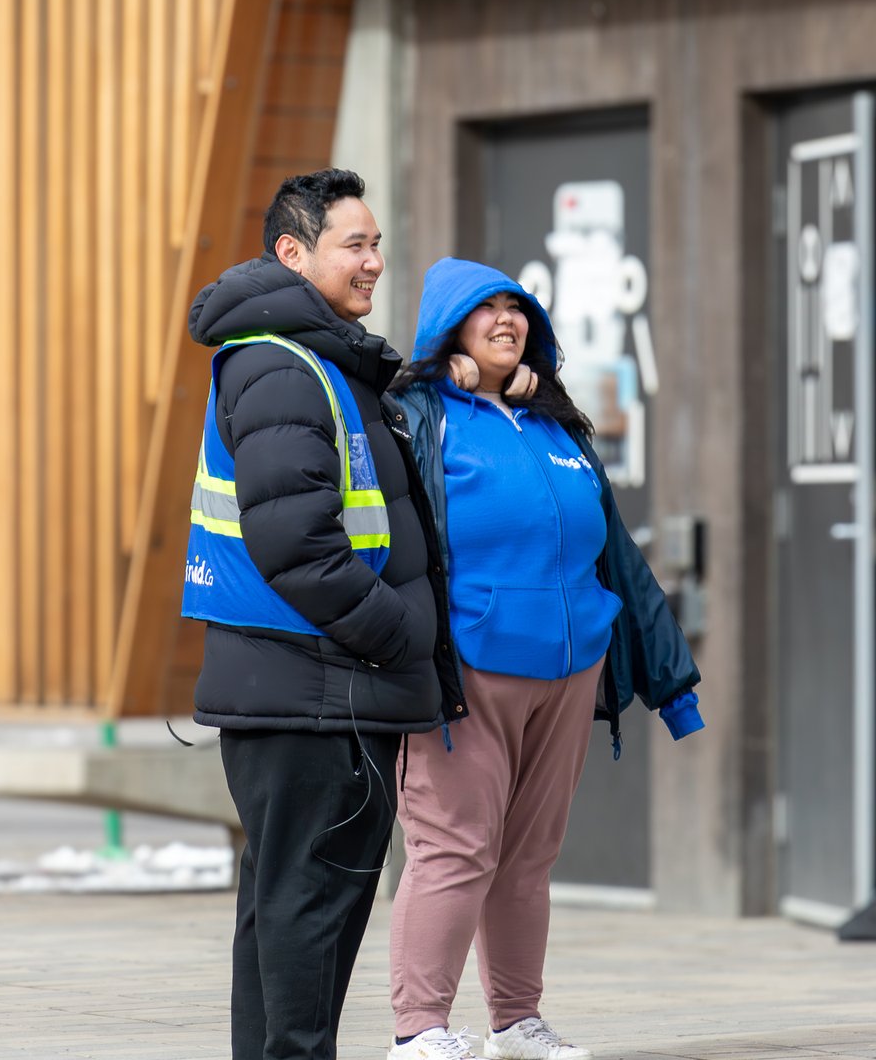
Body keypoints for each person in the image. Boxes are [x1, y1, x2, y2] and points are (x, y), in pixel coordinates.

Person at [386, 256, 705, 1060]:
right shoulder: (416, 415)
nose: (505, 319)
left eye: (516, 307)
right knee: (455, 848)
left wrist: (673, 687)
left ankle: (516, 1022)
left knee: (529, 857)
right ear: (447, 327)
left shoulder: (557, 423)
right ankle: (419, 1029)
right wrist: (429, 380)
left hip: (569, 669)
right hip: (466, 671)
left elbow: (619, 558)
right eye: (483, 308)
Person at [181, 171, 466, 1060]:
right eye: (355, 244)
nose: (375, 261)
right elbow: (296, 544)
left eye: (378, 243)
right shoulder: (279, 363)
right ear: (292, 253)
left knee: (285, 912)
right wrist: (398, 637)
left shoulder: (314, 359)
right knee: (311, 914)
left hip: (312, 685)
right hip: (319, 686)